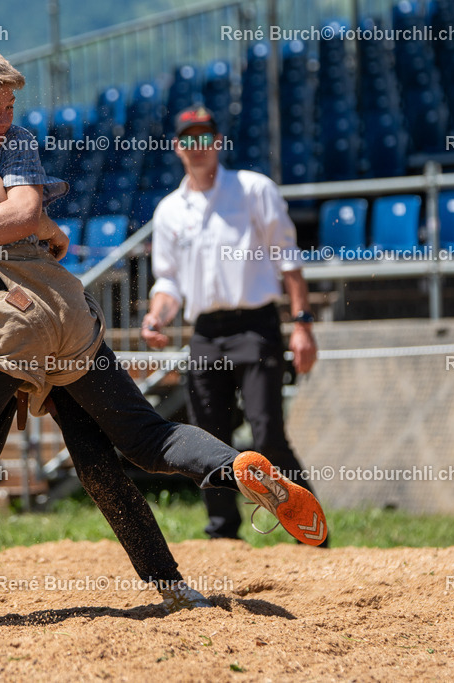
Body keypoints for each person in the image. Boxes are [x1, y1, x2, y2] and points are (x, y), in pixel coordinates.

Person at [0, 100, 328, 631]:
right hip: (64, 312)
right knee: (137, 444)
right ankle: (218, 498)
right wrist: (33, 238)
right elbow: (29, 220)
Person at [0, 43, 211, 626]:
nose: (5, 119)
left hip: (32, 322)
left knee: (100, 469)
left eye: (10, 105)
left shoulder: (14, 143)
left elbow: (20, 214)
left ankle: (170, 584)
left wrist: (14, 229)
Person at [141, 105, 326, 545]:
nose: (198, 146)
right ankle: (223, 534)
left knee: (267, 434)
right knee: (207, 439)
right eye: (189, 138)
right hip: (205, 332)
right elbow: (168, 282)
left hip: (255, 325)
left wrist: (302, 325)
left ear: (218, 142)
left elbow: (289, 260)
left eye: (206, 136)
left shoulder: (254, 189)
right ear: (177, 146)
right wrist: (156, 315)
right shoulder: (168, 210)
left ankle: (310, 529)